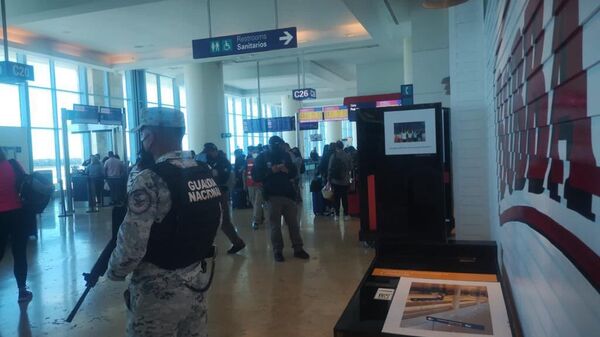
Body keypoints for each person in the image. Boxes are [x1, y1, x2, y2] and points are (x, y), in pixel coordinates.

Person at [107, 107, 222, 337]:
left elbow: (132, 245)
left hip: (156, 293)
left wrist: (114, 271)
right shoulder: (204, 171)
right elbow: (216, 221)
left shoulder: (149, 179)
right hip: (196, 282)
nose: (142, 139)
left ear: (151, 136)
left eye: (143, 133)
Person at [252, 136, 310, 262]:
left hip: (287, 195)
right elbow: (256, 176)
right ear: (271, 145)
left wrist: (286, 170)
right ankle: (277, 250)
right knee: (275, 226)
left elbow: (294, 172)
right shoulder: (262, 157)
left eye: (280, 145)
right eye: (276, 145)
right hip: (272, 196)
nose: (278, 147)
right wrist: (270, 171)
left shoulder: (286, 156)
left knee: (294, 224)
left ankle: (298, 248)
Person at [0, 148, 34, 302]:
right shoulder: (13, 165)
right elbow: (26, 183)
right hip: (18, 214)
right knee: (19, 253)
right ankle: (22, 292)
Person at [203, 143, 246, 254]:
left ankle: (237, 243)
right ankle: (208, 246)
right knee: (210, 220)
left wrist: (215, 174)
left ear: (215, 150)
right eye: (207, 152)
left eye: (210, 151)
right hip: (209, 192)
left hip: (221, 192)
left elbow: (224, 176)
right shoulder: (206, 161)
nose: (208, 154)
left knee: (224, 220)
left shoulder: (223, 161)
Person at [328, 141, 352, 221]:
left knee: (336, 198)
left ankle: (337, 215)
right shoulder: (347, 156)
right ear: (342, 146)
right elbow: (350, 168)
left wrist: (329, 180)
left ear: (336, 147)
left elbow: (330, 169)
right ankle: (346, 215)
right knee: (345, 198)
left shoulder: (333, 156)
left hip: (335, 181)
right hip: (345, 180)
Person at [244, 147, 264, 230]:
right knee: (254, 201)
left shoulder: (261, 160)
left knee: (257, 202)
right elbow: (244, 173)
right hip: (250, 184)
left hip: (259, 184)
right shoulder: (247, 161)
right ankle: (261, 216)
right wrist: (244, 184)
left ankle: (256, 221)